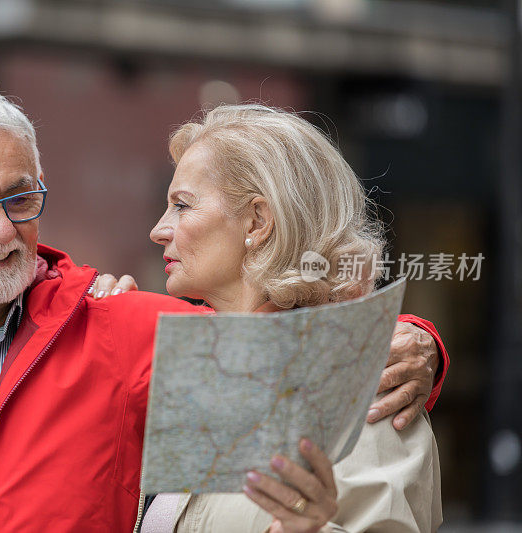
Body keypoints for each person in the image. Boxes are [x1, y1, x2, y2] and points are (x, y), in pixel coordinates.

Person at [0, 81, 446, 533]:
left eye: (21, 198)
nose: (2, 230)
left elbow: (297, 350)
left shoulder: (118, 325)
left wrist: (414, 343)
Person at [135, 104, 442, 532]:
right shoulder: (202, 370)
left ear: (258, 221)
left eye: (181, 206)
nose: (159, 229)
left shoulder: (365, 391)